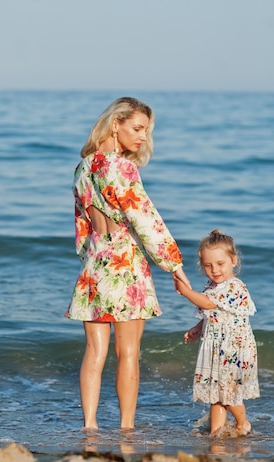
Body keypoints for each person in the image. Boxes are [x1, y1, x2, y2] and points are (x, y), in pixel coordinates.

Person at [65, 97, 190, 430]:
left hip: (94, 267)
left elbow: (81, 226)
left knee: (94, 352)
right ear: (115, 123)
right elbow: (145, 219)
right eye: (137, 128)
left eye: (146, 131)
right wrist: (174, 266)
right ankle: (126, 427)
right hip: (126, 266)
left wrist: (90, 259)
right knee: (129, 353)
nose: (142, 138)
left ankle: (89, 426)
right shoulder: (122, 167)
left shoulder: (83, 167)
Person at [174, 229, 259, 436]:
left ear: (233, 261)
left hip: (234, 348)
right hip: (215, 346)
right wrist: (197, 327)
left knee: (228, 393)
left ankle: (243, 422)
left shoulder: (234, 287)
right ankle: (216, 432)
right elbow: (213, 314)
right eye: (208, 265)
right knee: (216, 394)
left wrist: (186, 293)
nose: (215, 270)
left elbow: (210, 304)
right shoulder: (212, 286)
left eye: (220, 264)